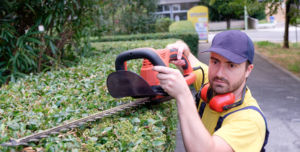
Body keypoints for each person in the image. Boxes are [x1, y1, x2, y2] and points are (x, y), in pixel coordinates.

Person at [152, 30, 269, 152]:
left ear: (248, 70)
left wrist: (183, 95)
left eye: (231, 65)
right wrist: (180, 47)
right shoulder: (211, 81)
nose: (219, 73)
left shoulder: (250, 120)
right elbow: (186, 53)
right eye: (215, 61)